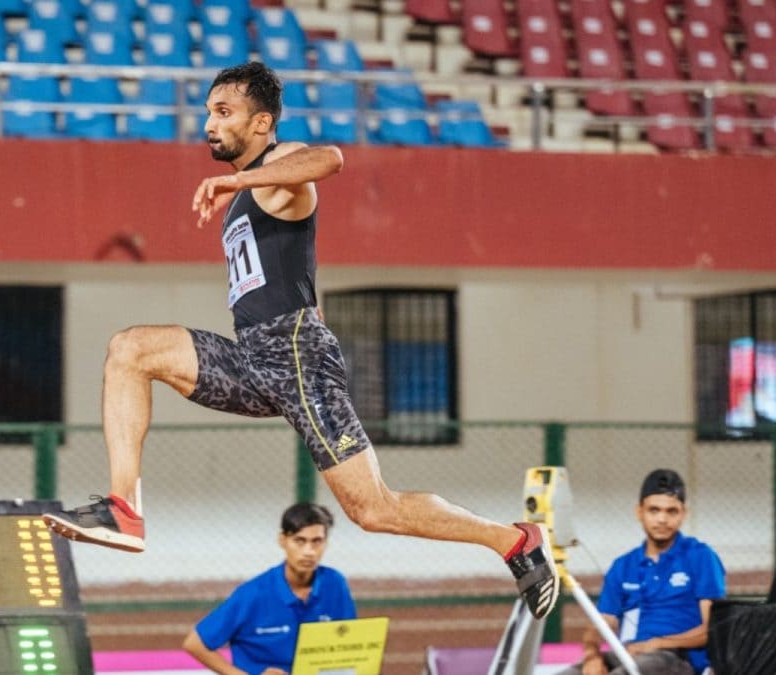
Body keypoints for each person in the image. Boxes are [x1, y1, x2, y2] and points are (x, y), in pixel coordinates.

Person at [42, 61, 558, 619]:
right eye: (208, 111)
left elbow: (330, 160)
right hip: (251, 355)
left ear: (262, 122)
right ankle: (124, 509)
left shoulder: (279, 166)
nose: (208, 124)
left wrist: (239, 179)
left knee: (373, 509)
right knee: (130, 349)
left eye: (223, 112)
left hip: (295, 358)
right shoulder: (248, 194)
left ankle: (513, 540)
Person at [556, 469, 726, 675]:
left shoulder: (701, 556)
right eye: (654, 510)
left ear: (683, 514)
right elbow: (600, 625)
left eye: (671, 511)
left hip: (680, 659)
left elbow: (713, 630)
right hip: (634, 654)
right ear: (639, 512)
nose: (662, 519)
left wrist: (656, 644)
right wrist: (592, 656)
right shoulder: (623, 565)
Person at [181, 503, 356, 674]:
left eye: (317, 541)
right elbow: (195, 643)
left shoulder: (335, 584)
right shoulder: (253, 593)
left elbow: (349, 642)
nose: (309, 551)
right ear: (283, 540)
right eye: (299, 541)